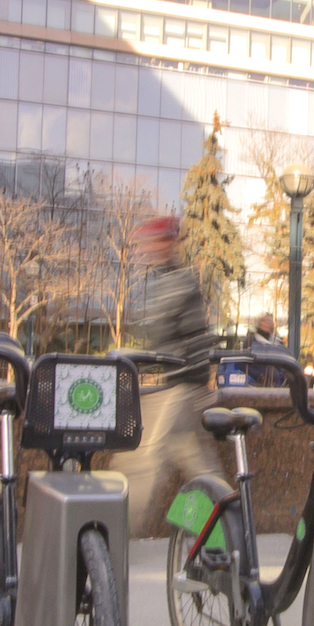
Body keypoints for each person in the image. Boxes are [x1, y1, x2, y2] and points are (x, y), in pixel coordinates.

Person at [110, 216, 220, 538]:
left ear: (169, 244)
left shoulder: (177, 282)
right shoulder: (167, 280)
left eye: (154, 242)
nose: (148, 249)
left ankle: (114, 534)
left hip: (178, 386)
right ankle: (221, 529)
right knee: (198, 463)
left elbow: (180, 336)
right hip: (182, 385)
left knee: (141, 458)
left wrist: (191, 379)